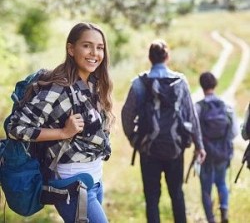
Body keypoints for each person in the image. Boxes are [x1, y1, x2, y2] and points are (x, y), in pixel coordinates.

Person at [7, 22, 114, 223]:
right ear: (71, 49)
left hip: (95, 180)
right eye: (87, 46)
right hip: (72, 185)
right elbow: (16, 128)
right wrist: (63, 133)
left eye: (100, 47)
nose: (94, 53)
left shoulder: (93, 84)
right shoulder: (59, 87)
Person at [121, 39, 206, 223]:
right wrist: (199, 145)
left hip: (147, 148)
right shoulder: (180, 81)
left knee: (152, 198)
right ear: (167, 57)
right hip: (175, 147)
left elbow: (126, 115)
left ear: (149, 58)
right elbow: (191, 115)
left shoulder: (139, 83)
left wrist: (134, 139)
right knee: (177, 194)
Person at [195, 72, 238, 223]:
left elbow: (195, 132)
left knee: (206, 189)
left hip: (205, 154)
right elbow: (234, 133)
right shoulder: (226, 106)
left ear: (202, 86)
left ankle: (210, 219)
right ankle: (224, 211)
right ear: (215, 84)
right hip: (222, 153)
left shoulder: (198, 107)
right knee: (221, 183)